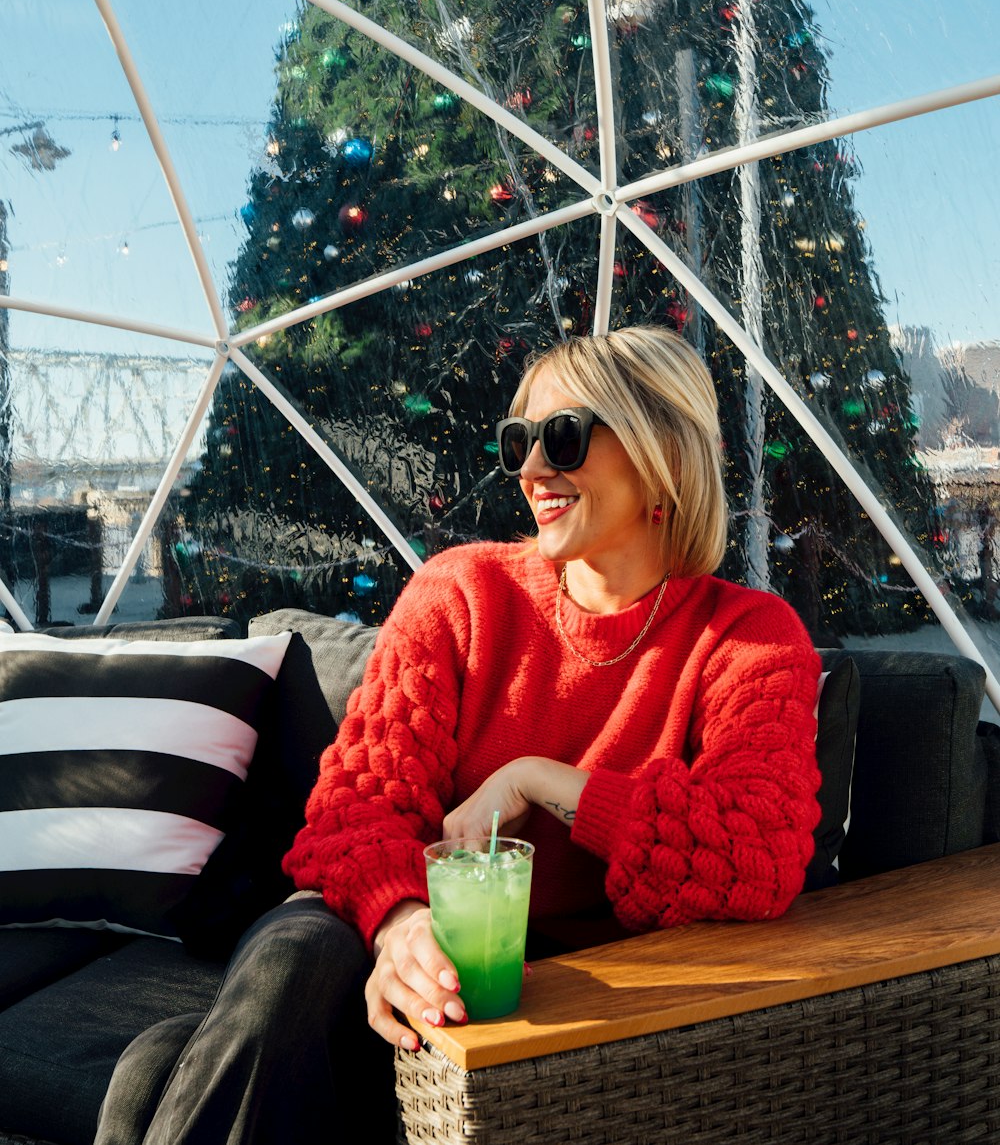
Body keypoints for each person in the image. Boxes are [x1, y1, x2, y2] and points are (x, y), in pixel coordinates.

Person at [96, 324, 821, 1144]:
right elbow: (350, 816)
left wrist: (540, 779)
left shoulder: (750, 638)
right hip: (389, 947)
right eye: (520, 443)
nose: (534, 471)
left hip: (577, 993)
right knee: (297, 954)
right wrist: (400, 924)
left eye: (566, 437)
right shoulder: (461, 593)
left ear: (667, 455)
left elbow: (756, 852)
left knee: (155, 1071)